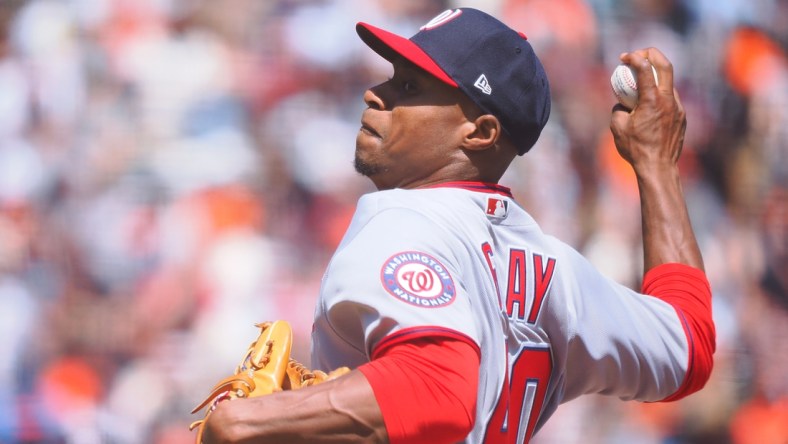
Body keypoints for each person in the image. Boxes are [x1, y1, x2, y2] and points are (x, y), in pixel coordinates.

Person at [201, 7, 715, 444]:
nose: (375, 94)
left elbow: (439, 387)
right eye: (390, 76)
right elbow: (689, 343)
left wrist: (246, 420)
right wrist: (655, 166)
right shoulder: (558, 271)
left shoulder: (404, 221)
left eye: (408, 85)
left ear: (480, 131)